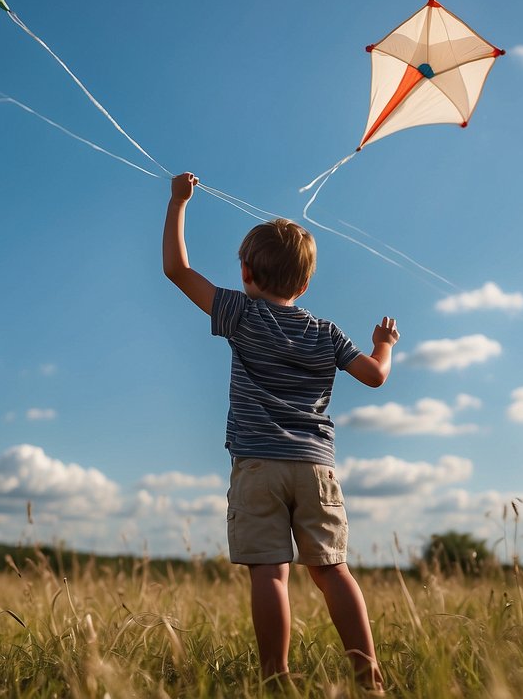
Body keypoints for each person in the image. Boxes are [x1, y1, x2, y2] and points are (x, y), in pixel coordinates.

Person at [162, 171, 398, 690]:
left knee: (270, 572)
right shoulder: (326, 331)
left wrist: (179, 202)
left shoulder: (240, 314)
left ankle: (276, 680)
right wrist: (384, 344)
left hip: (258, 465)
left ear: (246, 272)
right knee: (333, 569)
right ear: (306, 284)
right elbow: (375, 376)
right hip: (316, 467)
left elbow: (177, 270)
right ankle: (369, 675)